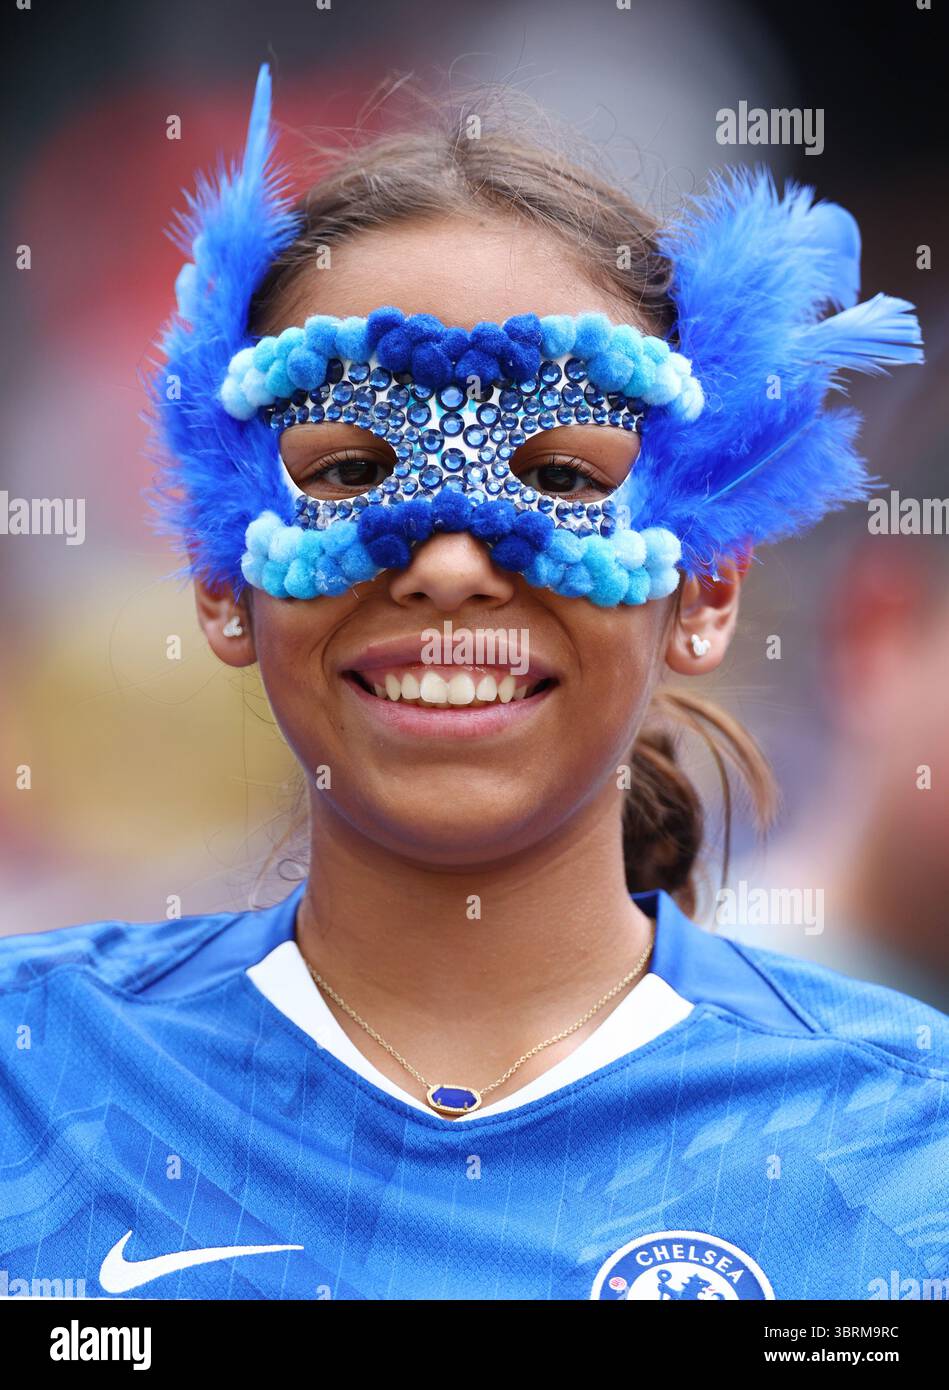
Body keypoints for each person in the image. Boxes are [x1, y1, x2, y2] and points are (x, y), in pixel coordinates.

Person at [0, 65, 945, 1303]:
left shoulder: (907, 1150)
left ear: (708, 587)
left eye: (559, 478)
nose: (449, 562)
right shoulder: (32, 1076)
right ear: (222, 578)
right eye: (347, 470)